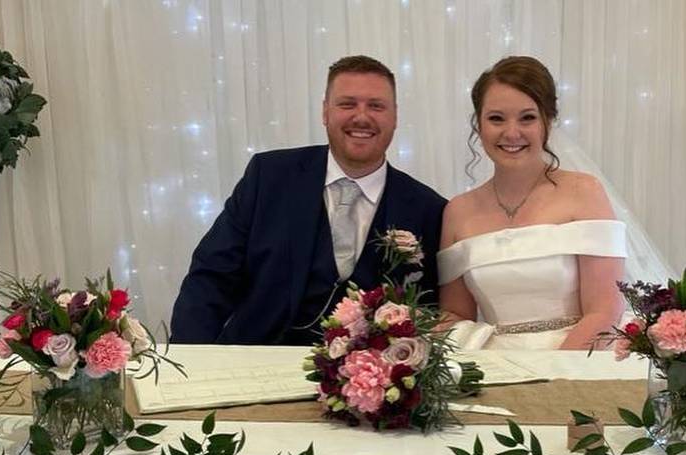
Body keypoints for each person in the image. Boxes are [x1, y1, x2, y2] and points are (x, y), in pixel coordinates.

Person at [171, 56, 446, 345]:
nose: (361, 116)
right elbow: (211, 277)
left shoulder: (428, 209)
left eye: (376, 106)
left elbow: (429, 312)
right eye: (347, 104)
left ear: (395, 117)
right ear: (325, 111)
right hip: (255, 361)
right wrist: (189, 362)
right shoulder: (268, 177)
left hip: (366, 382)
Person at [437, 56, 626, 350]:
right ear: (479, 124)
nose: (511, 133)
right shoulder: (458, 212)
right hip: (493, 369)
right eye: (496, 118)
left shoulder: (583, 191)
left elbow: (604, 310)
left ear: (548, 122)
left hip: (578, 364)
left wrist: (552, 379)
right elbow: (456, 316)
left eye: (527, 118)